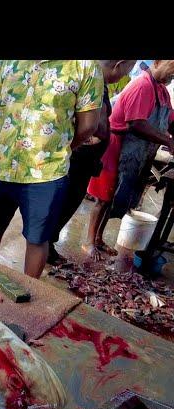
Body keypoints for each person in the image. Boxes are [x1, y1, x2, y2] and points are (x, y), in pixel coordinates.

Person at [0, 60, 103, 278]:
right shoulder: (5, 62)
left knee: (37, 238)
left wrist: (57, 147)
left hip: (46, 173)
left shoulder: (84, 67)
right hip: (0, 166)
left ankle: (28, 292)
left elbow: (88, 126)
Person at [47, 60, 136, 265]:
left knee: (69, 202)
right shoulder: (91, 79)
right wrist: (76, 145)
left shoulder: (98, 83)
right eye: (125, 72)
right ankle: (45, 246)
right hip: (78, 156)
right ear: (118, 64)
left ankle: (47, 244)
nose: (123, 77)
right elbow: (94, 125)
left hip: (85, 157)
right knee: (65, 202)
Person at [85, 60, 174, 260]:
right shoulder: (142, 85)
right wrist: (167, 140)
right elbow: (136, 124)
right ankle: (89, 242)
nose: (172, 76)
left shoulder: (162, 91)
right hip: (117, 146)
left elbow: (169, 119)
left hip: (135, 152)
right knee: (103, 198)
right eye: (172, 69)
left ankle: (99, 239)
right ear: (158, 62)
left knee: (114, 198)